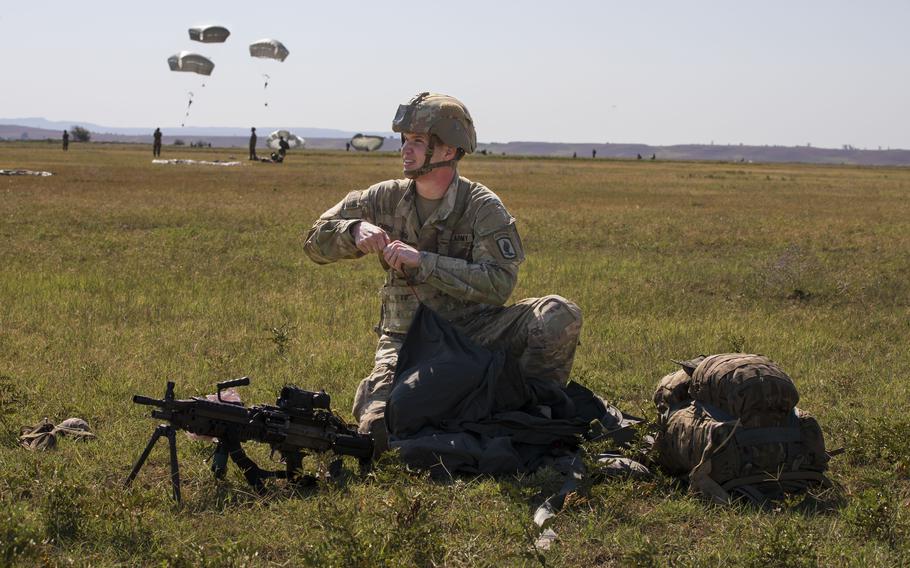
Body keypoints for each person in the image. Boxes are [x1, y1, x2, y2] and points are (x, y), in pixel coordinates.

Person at [304, 92, 582, 455]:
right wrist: (352, 231)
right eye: (405, 140)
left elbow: (499, 284)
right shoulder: (383, 198)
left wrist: (423, 261)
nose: (406, 149)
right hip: (407, 342)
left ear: (449, 150)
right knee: (378, 431)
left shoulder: (482, 206)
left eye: (418, 141)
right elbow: (313, 241)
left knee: (558, 315)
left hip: (475, 333)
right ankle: (426, 401)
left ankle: (531, 408)